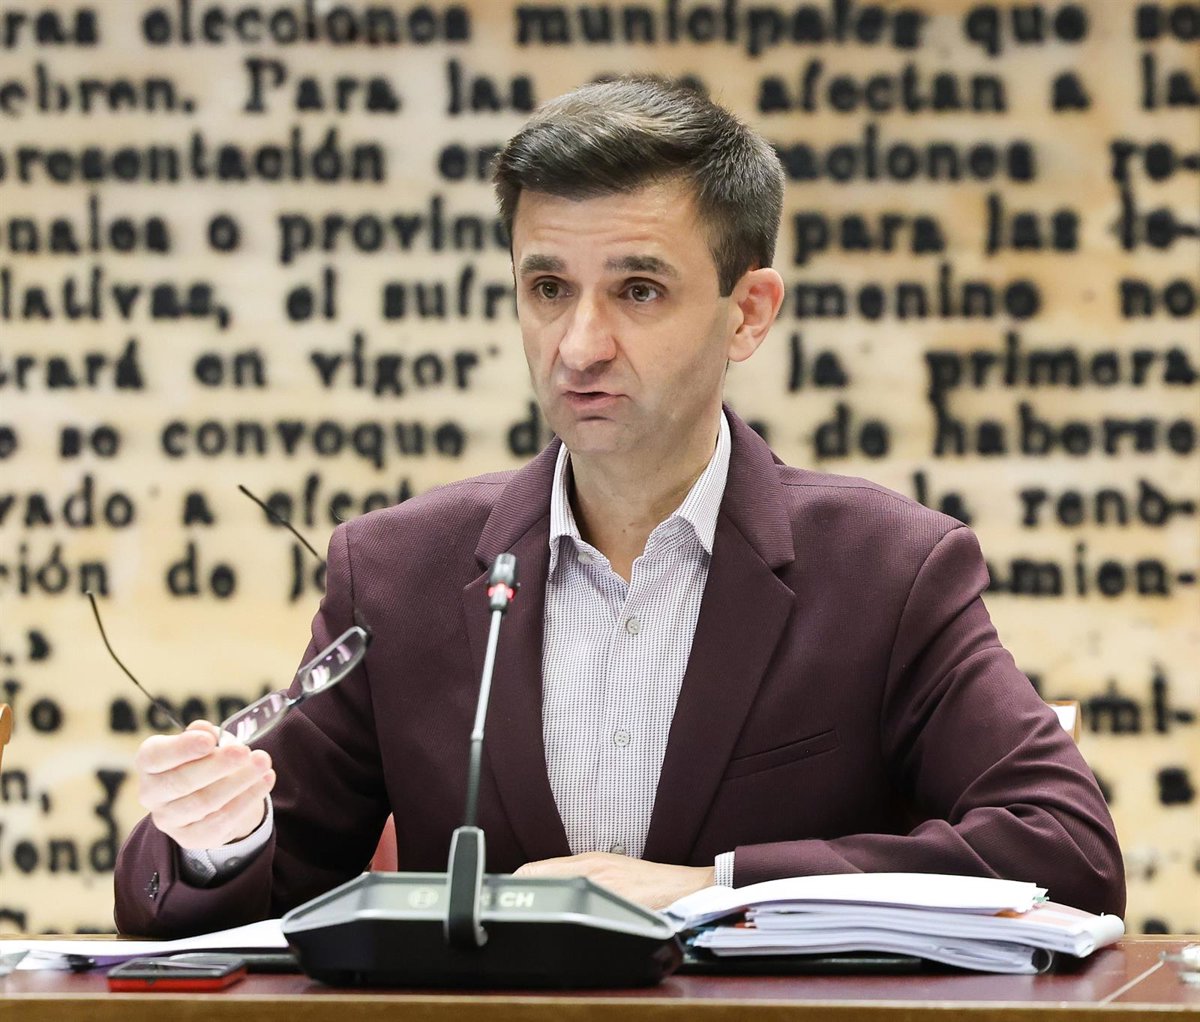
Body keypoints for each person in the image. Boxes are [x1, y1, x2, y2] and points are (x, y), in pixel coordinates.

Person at [114, 76, 1124, 938]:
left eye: (638, 290)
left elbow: (1066, 850)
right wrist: (220, 836)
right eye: (548, 287)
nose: (579, 345)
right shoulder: (393, 570)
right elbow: (248, 899)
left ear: (748, 312)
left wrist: (715, 887)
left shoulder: (889, 568)